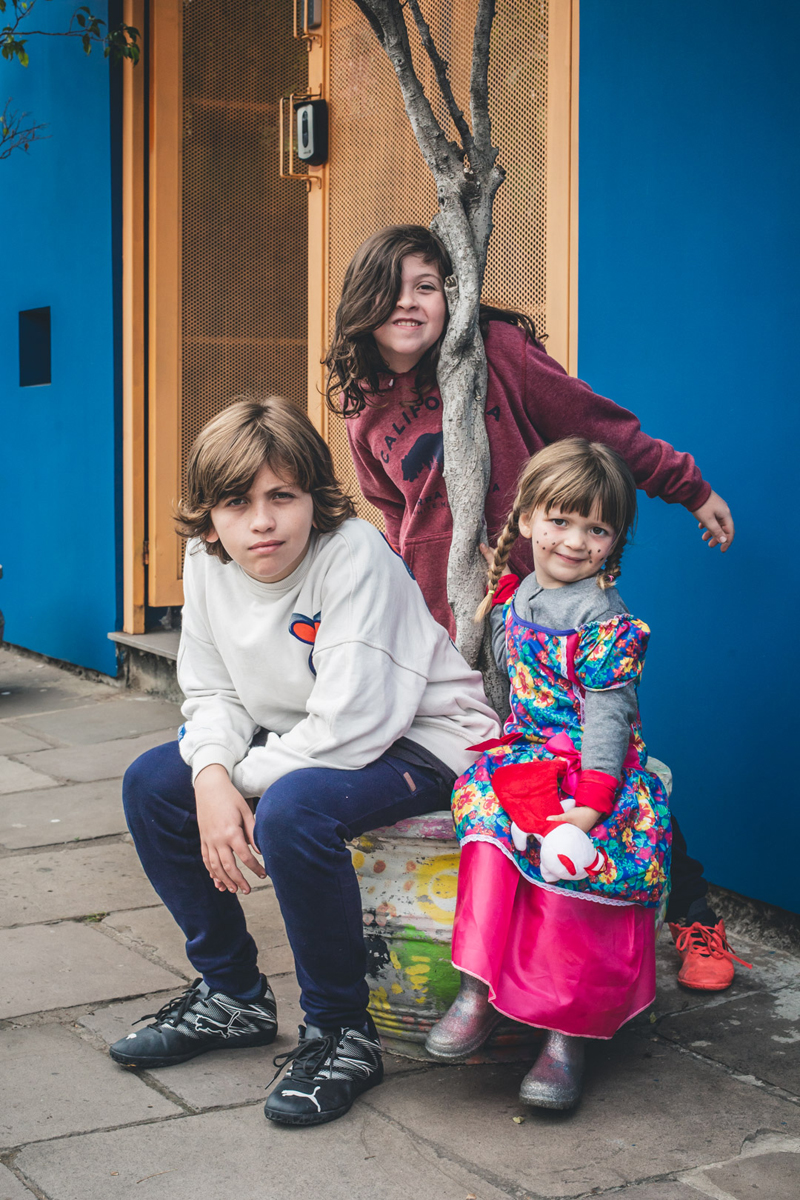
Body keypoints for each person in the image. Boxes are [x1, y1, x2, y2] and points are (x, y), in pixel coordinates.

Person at [326, 224, 743, 991]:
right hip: (447, 625)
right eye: (392, 289)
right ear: (363, 303)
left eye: (427, 286)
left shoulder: (497, 354)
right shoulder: (365, 414)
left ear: (452, 294)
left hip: (542, 613)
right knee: (498, 776)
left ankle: (692, 915)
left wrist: (686, 486)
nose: (410, 303)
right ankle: (505, 937)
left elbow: (598, 426)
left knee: (599, 755)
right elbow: (393, 521)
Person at [109, 396, 500, 1127]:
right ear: (209, 517)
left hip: (428, 738)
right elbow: (214, 692)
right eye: (237, 502)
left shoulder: (353, 554)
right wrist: (209, 776)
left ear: (313, 498)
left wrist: (228, 786)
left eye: (281, 496)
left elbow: (352, 728)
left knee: (293, 812)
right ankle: (232, 996)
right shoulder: (207, 561)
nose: (262, 521)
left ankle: (342, 1033)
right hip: (310, 736)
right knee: (153, 784)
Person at [426, 438, 671, 1108]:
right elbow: (514, 684)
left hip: (594, 773)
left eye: (597, 529)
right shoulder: (518, 595)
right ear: (528, 517)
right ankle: (478, 989)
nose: (575, 541)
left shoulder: (605, 622)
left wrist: (589, 808)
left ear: (615, 541)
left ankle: (567, 1036)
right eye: (560, 521)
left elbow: (608, 723)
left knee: (572, 872)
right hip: (530, 756)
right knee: (487, 825)